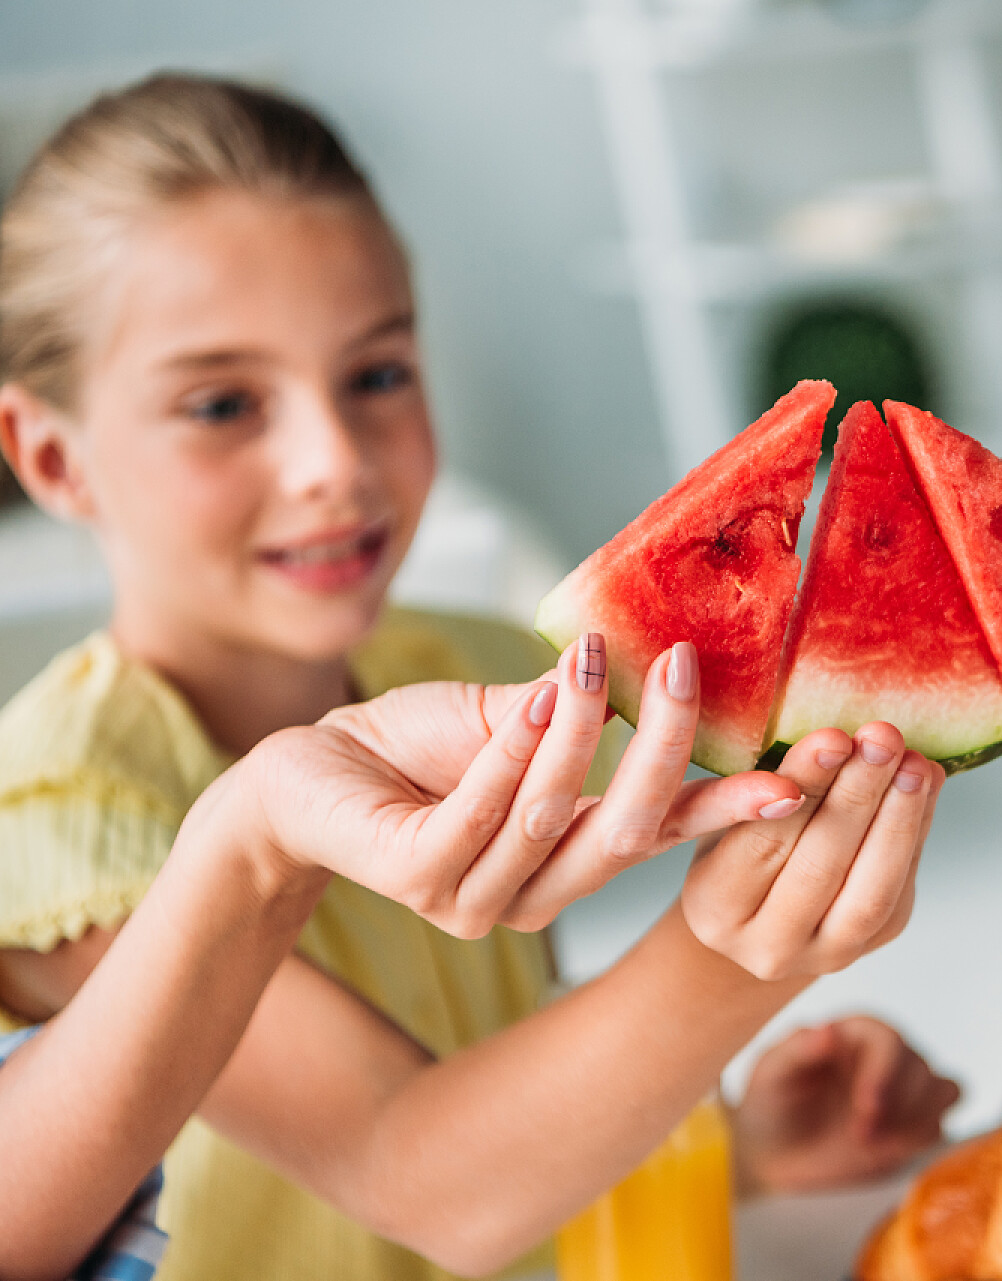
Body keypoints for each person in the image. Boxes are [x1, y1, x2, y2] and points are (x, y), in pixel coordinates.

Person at [0, 73, 954, 1281]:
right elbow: (421, 1177)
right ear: (51, 456)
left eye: (377, 374)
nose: (332, 463)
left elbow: (506, 1101)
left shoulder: (478, 665)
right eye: (224, 403)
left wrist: (739, 1151)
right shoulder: (58, 811)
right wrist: (731, 954)